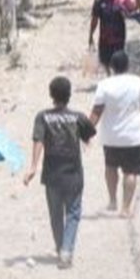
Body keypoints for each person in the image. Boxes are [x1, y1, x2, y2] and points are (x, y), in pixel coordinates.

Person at [23, 76, 96, 268]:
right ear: (69, 95)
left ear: (51, 95)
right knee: (73, 212)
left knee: (55, 213)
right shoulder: (78, 117)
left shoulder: (42, 117)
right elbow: (89, 134)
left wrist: (33, 167)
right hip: (73, 174)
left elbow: (38, 140)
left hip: (52, 175)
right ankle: (66, 251)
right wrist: (85, 141)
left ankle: (60, 247)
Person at [89, 51, 140, 217]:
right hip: (133, 137)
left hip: (111, 137)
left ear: (111, 66)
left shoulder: (104, 85)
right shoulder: (138, 82)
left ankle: (112, 201)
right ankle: (125, 208)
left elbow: (97, 111)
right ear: (127, 65)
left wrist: (87, 130)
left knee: (110, 168)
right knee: (130, 172)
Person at [89, 0, 127, 74]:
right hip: (105, 39)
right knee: (105, 63)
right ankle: (109, 78)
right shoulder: (99, 0)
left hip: (119, 38)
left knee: (118, 64)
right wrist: (91, 35)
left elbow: (130, 13)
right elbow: (95, 19)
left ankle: (116, 80)